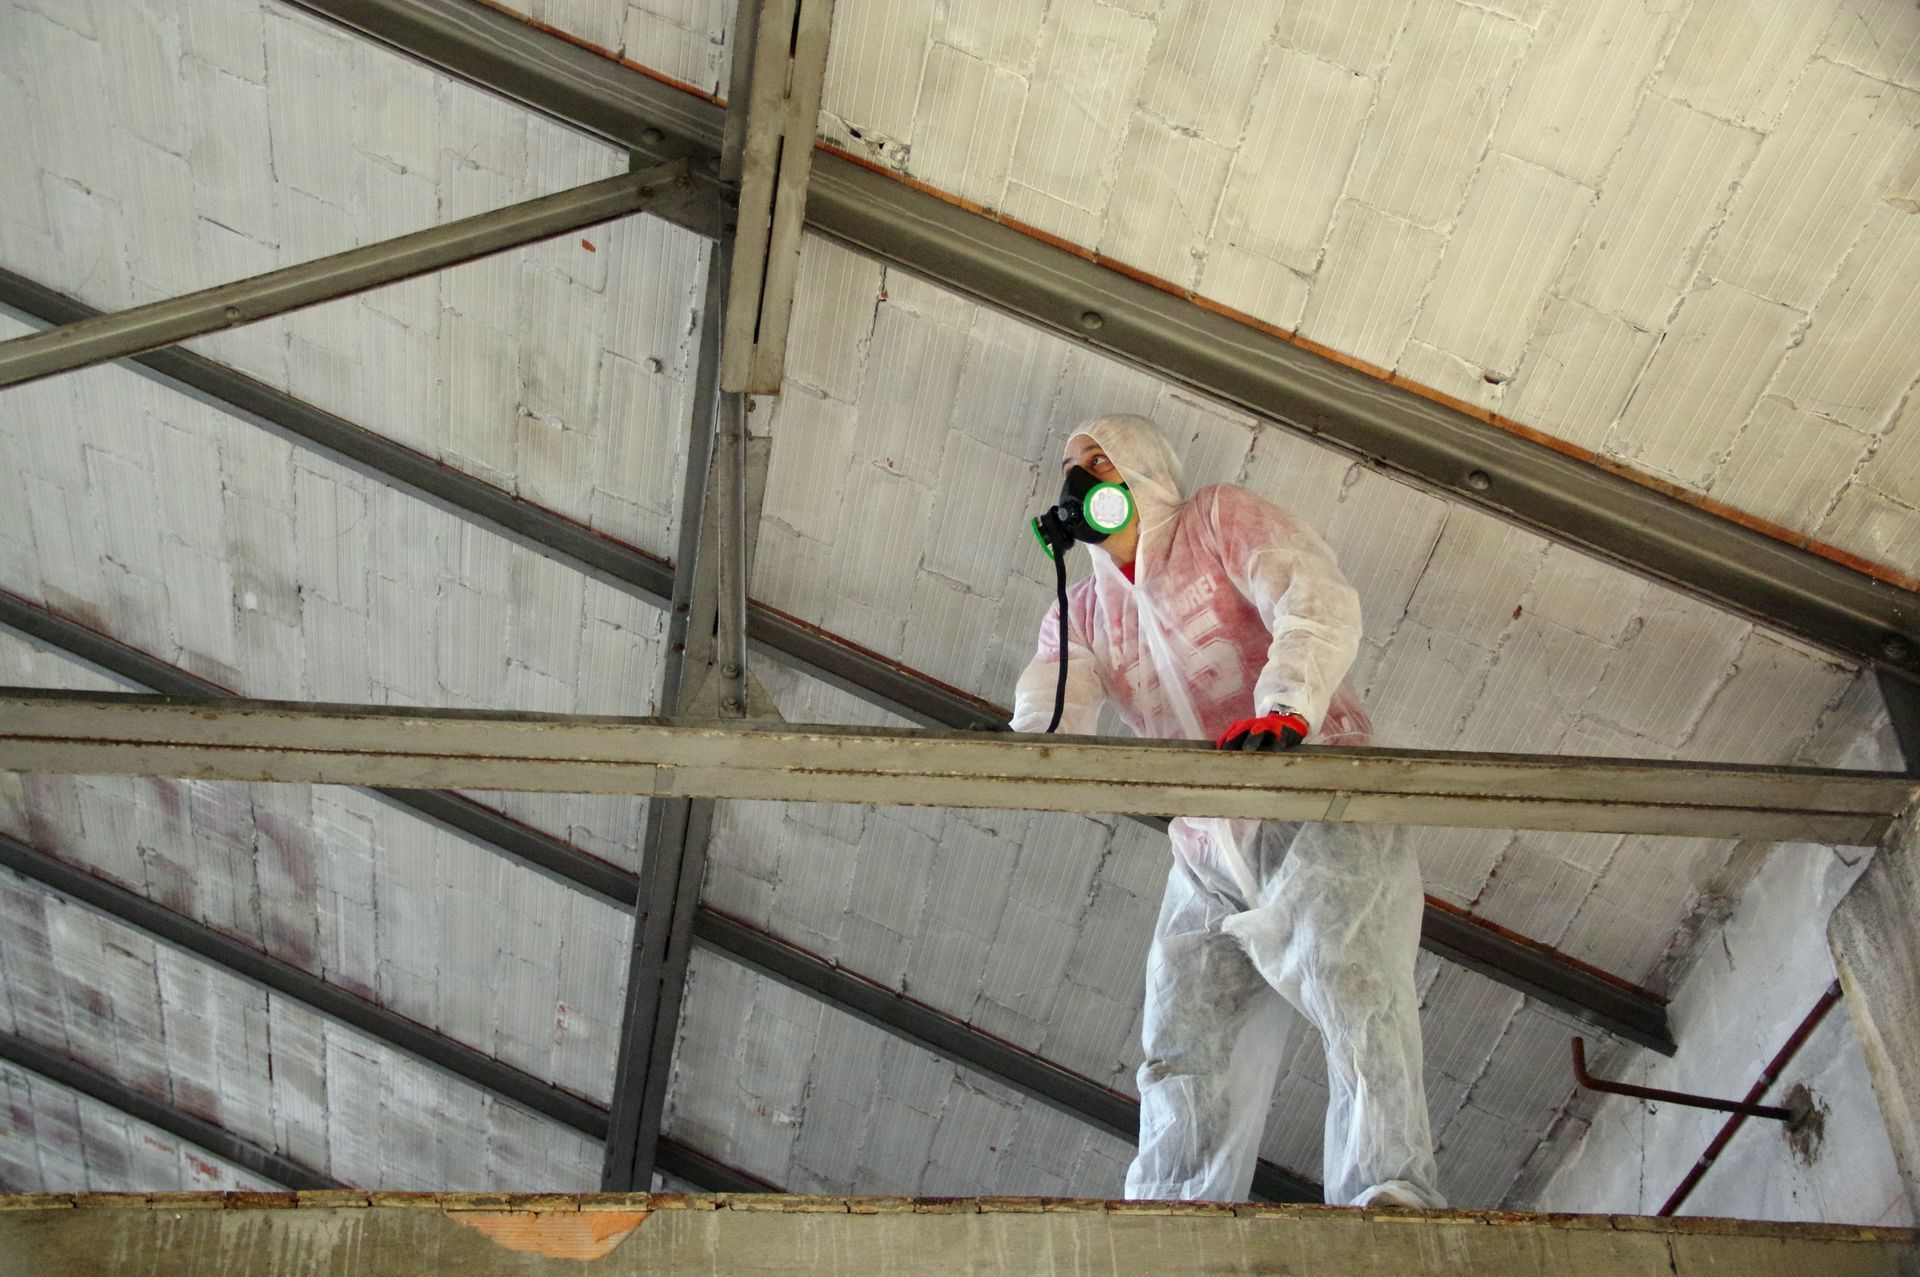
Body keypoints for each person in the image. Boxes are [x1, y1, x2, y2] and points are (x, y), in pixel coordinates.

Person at [1011, 413, 1444, 1209]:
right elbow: (1052, 719)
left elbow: (1310, 591)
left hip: (1312, 788)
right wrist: (1026, 746)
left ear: (1142, 469)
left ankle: (1387, 1195)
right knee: (1182, 1039)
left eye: (1099, 458)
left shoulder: (1215, 521)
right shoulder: (1083, 613)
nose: (1079, 477)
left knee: (1353, 986)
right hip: (1208, 844)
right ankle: (1174, 1216)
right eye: (1069, 465)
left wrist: (1288, 705)